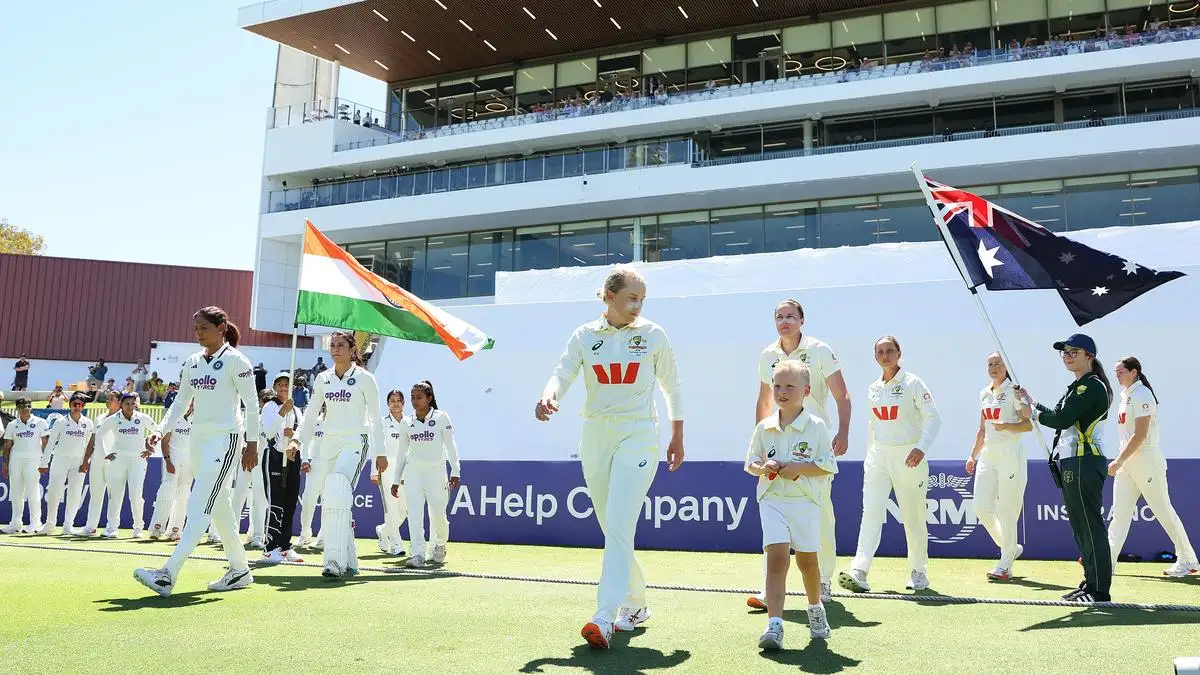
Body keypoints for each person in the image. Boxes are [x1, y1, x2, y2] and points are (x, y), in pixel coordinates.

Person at [535, 266, 685, 650]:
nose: (637, 306)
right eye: (631, 298)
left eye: (642, 300)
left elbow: (672, 386)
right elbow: (562, 372)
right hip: (595, 435)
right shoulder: (584, 335)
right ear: (609, 296)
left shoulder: (653, 335)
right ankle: (636, 603)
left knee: (619, 523)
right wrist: (550, 394)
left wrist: (677, 434)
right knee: (610, 526)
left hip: (639, 434)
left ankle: (604, 617)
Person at [132, 306, 261, 596]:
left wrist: (251, 444)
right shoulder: (193, 362)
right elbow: (180, 403)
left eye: (204, 328)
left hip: (225, 440)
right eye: (196, 329)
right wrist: (160, 431)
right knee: (219, 506)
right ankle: (240, 570)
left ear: (221, 327)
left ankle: (167, 574)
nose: (198, 334)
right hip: (198, 441)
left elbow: (252, 405)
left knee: (199, 503)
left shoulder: (237, 361)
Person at [748, 299, 851, 609]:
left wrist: (843, 431)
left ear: (802, 320)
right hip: (778, 443)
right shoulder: (768, 355)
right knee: (773, 521)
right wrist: (761, 439)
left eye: (790, 316)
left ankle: (823, 580)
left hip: (813, 443)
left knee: (821, 514)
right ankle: (769, 589)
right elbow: (764, 399)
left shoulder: (820, 350)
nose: (785, 321)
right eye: (779, 317)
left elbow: (842, 394)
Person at [1014, 333, 1113, 602]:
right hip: (1074, 461)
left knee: (1089, 526)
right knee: (1081, 527)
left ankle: (1099, 591)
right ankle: (1090, 584)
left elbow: (1061, 420)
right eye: (1065, 352)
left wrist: (1032, 414)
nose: (1067, 356)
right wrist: (1032, 402)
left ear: (1089, 356)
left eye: (1074, 352)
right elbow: (1059, 415)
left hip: (1084, 461)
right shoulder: (1078, 386)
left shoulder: (1090, 386)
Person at [840, 335, 941, 594]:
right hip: (878, 458)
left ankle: (918, 572)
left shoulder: (913, 383)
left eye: (889, 350)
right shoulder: (873, 388)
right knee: (871, 513)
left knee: (912, 515)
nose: (885, 356)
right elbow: (873, 425)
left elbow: (933, 418)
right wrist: (870, 456)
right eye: (880, 352)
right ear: (875, 357)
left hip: (909, 456)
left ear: (899, 353)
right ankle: (859, 570)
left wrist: (921, 447)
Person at [746, 361, 834, 651]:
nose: (781, 392)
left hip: (805, 503)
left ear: (806, 391)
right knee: (777, 558)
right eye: (777, 386)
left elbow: (827, 466)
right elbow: (751, 463)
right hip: (772, 500)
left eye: (789, 386)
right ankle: (774, 625)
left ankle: (815, 608)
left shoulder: (816, 426)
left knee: (807, 563)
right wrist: (763, 468)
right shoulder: (764, 427)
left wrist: (799, 468)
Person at [294, 331, 386, 578]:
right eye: (332, 345)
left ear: (352, 349)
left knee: (337, 492)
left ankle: (333, 561)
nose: (335, 349)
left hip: (355, 440)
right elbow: (311, 413)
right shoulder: (323, 378)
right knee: (334, 500)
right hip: (328, 444)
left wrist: (381, 453)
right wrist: (297, 439)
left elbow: (376, 419)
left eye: (341, 345)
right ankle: (351, 560)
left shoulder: (365, 379)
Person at [1107, 357, 1197, 577]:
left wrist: (1119, 460)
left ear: (1134, 372)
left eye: (1121, 372)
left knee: (1163, 511)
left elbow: (1140, 435)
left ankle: (1188, 560)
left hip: (1146, 461)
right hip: (1128, 462)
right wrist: (1122, 461)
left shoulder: (1142, 394)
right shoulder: (1126, 396)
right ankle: (1106, 564)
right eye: (1116, 372)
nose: (1117, 376)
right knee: (1119, 515)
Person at [966, 352, 1031, 580]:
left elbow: (1028, 424)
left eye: (998, 364)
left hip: (1010, 453)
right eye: (990, 364)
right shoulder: (984, 393)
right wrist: (972, 455)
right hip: (988, 455)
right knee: (981, 507)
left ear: (1006, 366)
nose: (993, 368)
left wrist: (1007, 425)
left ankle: (1005, 565)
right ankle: (1010, 548)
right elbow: (982, 429)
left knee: (1007, 509)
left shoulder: (1014, 390)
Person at [391, 381, 459, 568]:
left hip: (436, 473)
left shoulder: (441, 418)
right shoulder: (406, 422)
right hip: (413, 474)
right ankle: (418, 554)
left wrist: (455, 470)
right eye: (412, 397)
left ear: (429, 398)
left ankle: (440, 544)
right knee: (414, 515)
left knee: (438, 515)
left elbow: (450, 446)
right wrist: (396, 480)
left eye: (419, 397)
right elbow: (402, 453)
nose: (415, 401)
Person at [94, 393, 157, 538]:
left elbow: (158, 431)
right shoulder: (114, 419)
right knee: (115, 495)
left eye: (132, 403)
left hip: (138, 460)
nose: (130, 406)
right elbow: (99, 433)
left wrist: (151, 448)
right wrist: (105, 453)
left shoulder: (142, 418)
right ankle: (111, 528)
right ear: (121, 405)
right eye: (127, 403)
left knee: (136, 495)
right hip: (118, 460)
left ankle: (138, 528)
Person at [262, 373, 306, 563]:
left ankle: (285, 547)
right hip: (274, 457)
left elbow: (302, 434)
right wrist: (282, 413)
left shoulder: (297, 410)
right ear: (274, 387)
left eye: (286, 384)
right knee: (276, 503)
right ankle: (269, 548)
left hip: (293, 458)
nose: (283, 387)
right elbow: (269, 431)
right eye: (279, 384)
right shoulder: (270, 406)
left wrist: (293, 434)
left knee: (290, 503)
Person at [40, 393, 96, 535]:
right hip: (60, 460)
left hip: (78, 462)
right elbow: (51, 443)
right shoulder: (60, 422)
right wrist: (44, 463)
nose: (77, 407)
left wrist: (86, 462)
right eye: (74, 404)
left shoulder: (88, 423)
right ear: (70, 405)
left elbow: (89, 444)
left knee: (75, 494)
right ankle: (50, 524)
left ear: (83, 406)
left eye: (80, 404)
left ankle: (68, 526)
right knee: (54, 492)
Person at [1, 398, 50, 534]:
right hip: (16, 460)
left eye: (28, 406)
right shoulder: (12, 424)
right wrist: (5, 463)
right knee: (16, 493)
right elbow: (7, 445)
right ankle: (15, 524)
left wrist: (44, 462)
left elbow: (45, 443)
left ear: (31, 407)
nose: (25, 409)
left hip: (34, 460)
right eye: (22, 406)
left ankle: (36, 523)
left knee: (33, 492)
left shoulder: (40, 422)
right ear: (17, 408)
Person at [78, 394, 123, 536]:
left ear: (119, 402)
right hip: (97, 460)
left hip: (114, 461)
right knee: (95, 495)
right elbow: (93, 440)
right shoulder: (99, 418)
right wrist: (86, 460)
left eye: (112, 399)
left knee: (114, 495)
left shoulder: (123, 418)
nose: (108, 401)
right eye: (107, 398)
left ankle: (112, 528)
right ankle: (90, 527)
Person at [147, 402, 194, 540]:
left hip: (189, 460)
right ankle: (157, 528)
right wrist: (167, 460)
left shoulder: (199, 417)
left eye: (192, 403)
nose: (189, 406)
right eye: (188, 402)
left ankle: (176, 530)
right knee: (167, 489)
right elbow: (165, 440)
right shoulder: (173, 416)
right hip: (172, 458)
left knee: (184, 493)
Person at [376, 389, 409, 556]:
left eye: (398, 400)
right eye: (392, 401)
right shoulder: (382, 423)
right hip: (387, 469)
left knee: (404, 510)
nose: (396, 404)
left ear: (403, 403)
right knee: (392, 508)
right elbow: (377, 448)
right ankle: (396, 544)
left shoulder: (411, 422)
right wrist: (375, 471)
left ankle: (384, 531)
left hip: (407, 470)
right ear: (388, 404)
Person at [296, 415, 327, 549]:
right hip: (315, 463)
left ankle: (323, 538)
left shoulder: (340, 418)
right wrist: (305, 460)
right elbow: (306, 440)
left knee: (328, 502)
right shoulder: (316, 420)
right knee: (308, 500)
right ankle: (305, 534)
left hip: (332, 465)